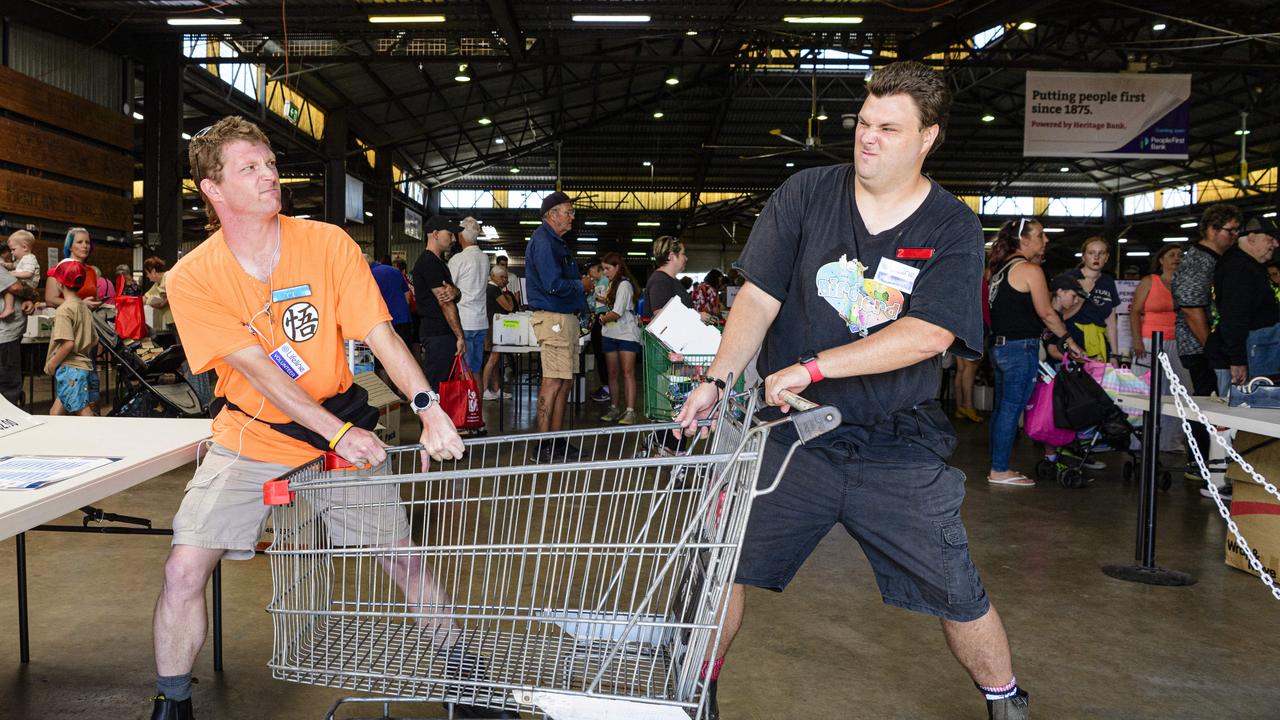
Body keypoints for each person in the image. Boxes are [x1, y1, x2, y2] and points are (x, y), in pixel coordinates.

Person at [676, 60, 1029, 720]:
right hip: (790, 438)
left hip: (895, 443)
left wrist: (814, 367)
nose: (868, 138)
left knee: (957, 589)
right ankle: (698, 695)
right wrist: (718, 379)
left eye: (889, 129)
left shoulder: (951, 226)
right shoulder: (807, 193)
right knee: (722, 568)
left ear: (927, 138)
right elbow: (757, 297)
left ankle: (1006, 700)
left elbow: (927, 335)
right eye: (864, 123)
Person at [148, 116, 502, 720]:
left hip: (342, 424)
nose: (269, 176)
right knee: (185, 565)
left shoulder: (328, 244)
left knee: (402, 556)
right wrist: (340, 432)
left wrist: (428, 407)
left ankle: (467, 682)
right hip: (255, 433)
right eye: (249, 168)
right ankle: (172, 702)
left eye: (269, 163)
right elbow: (262, 374)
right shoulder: (193, 278)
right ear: (212, 189)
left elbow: (382, 337)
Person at [986, 218, 1085, 486]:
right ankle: (999, 469)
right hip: (1020, 349)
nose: (1046, 240)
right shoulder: (1029, 270)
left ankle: (998, 463)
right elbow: (1046, 313)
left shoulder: (999, 270)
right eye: (1040, 235)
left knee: (1001, 410)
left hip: (1001, 347)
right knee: (1010, 410)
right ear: (1024, 240)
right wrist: (1070, 342)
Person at [1172, 203, 1241, 493]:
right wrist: (1211, 345)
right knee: (1207, 406)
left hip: (1209, 347)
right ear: (1213, 229)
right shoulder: (1198, 260)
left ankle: (1208, 464)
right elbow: (1190, 307)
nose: (1235, 235)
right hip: (1200, 349)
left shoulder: (1215, 258)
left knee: (1212, 406)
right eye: (1231, 230)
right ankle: (1201, 465)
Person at [526, 190, 588, 461]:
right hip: (553, 320)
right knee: (553, 382)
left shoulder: (557, 243)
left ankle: (556, 441)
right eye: (568, 211)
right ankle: (542, 446)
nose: (572, 216)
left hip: (564, 320)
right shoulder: (544, 242)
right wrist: (581, 285)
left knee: (564, 382)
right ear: (551, 214)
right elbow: (553, 285)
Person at [1209, 217, 1280, 391]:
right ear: (1251, 238)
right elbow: (1234, 316)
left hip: (1255, 352)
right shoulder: (1239, 268)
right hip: (1245, 356)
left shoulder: (1250, 266)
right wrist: (1237, 359)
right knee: (1238, 411)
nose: (1276, 244)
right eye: (1270, 239)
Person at [1129, 244, 1187, 453]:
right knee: (1142, 390)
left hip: (1177, 342)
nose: (1177, 258)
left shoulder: (1185, 283)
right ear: (1161, 259)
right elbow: (1134, 312)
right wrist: (1137, 341)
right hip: (1148, 341)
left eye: (1180, 255)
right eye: (1171, 255)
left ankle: (1169, 442)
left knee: (1177, 392)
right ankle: (1137, 441)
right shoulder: (1150, 281)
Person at [411, 215, 467, 387]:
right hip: (438, 333)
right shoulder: (429, 262)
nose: (452, 239)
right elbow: (445, 302)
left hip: (442, 333)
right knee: (438, 387)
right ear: (435, 234)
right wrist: (459, 335)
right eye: (449, 234)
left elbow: (452, 294)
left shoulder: (439, 262)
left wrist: (456, 292)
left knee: (445, 385)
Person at [42, 259, 98, 416]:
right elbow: (94, 340)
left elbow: (67, 344)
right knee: (55, 413)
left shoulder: (63, 310)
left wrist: (52, 363)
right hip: (82, 367)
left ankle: (99, 438)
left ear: (60, 284)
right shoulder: (85, 308)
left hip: (69, 369)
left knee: (82, 410)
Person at [598, 252, 643, 425]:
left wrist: (602, 319)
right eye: (603, 269)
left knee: (628, 372)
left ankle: (630, 411)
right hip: (610, 334)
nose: (605, 272)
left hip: (626, 334)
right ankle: (614, 407)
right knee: (612, 373)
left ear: (617, 267)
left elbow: (616, 313)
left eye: (608, 269)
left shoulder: (624, 284)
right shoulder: (611, 285)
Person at [1068, 236, 1120, 361]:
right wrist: (1083, 293)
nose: (1096, 257)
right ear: (1083, 256)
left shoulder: (1108, 281)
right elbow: (1060, 314)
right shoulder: (1070, 278)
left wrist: (1115, 355)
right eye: (1091, 253)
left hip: (1100, 342)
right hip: (1073, 341)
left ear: (1106, 257)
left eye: (1101, 253)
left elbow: (1111, 321)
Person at [447, 216, 488, 374]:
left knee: (464, 371)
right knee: (476, 370)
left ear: (460, 236)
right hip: (481, 321)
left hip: (464, 321)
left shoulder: (458, 259)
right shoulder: (484, 258)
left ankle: (465, 400)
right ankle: (476, 399)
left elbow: (449, 288)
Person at [369, 256, 413, 386]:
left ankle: (387, 390)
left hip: (382, 322)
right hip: (403, 318)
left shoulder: (368, 274)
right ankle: (404, 392)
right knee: (404, 356)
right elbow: (407, 296)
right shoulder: (395, 271)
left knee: (382, 360)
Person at [644, 236, 710, 322]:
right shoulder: (660, 281)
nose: (686, 258)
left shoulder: (670, 280)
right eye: (683, 254)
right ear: (671, 256)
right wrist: (695, 316)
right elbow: (661, 316)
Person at [0, 255, 38, 405]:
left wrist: (28, 299)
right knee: (8, 383)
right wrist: (32, 295)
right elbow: (15, 287)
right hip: (5, 335)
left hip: (8, 334)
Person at [481, 265, 515, 400]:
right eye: (502, 277)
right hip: (493, 327)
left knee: (495, 359)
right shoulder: (494, 289)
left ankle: (495, 389)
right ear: (493, 277)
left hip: (493, 326)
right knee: (493, 358)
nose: (505, 280)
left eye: (506, 277)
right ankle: (483, 390)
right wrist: (507, 294)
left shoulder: (491, 288)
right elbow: (510, 307)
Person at [46, 228, 102, 309]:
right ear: (70, 247)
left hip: (88, 318)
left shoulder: (91, 271)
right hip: (67, 318)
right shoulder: (59, 269)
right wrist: (81, 305)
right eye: (79, 242)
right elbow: (50, 300)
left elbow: (94, 298)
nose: (85, 246)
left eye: (87, 242)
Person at [584, 258, 611, 402]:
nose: (590, 275)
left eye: (591, 271)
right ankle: (605, 385)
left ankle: (608, 387)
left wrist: (595, 295)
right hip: (596, 316)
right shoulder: (596, 283)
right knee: (598, 352)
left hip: (605, 317)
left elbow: (608, 300)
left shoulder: (606, 282)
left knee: (602, 352)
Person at [2, 230, 39, 320]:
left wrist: (12, 273)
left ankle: (9, 308)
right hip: (23, 283)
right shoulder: (21, 259)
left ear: (24, 247)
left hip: (29, 283)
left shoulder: (30, 258)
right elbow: (13, 266)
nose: (11, 252)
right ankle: (9, 307)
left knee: (8, 287)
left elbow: (28, 273)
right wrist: (5, 265)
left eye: (13, 249)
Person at [143, 257, 174, 331]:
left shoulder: (169, 277)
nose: (147, 276)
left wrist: (164, 302)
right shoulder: (157, 284)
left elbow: (173, 296)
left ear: (153, 271)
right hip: (170, 321)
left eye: (147, 273)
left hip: (179, 320)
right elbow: (145, 298)